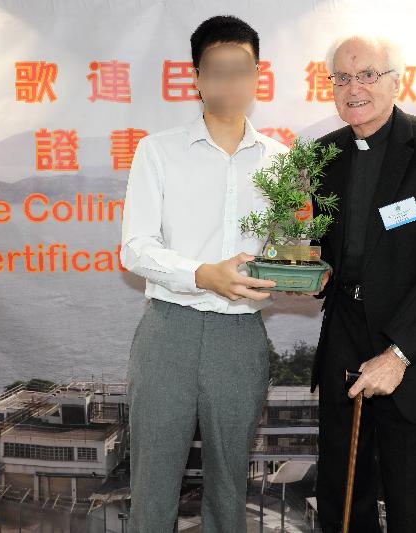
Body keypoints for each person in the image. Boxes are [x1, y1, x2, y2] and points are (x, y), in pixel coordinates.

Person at [120, 15, 294, 533]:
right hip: (168, 331)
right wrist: (203, 274)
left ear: (257, 74)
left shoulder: (282, 162)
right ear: (195, 76)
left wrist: (298, 273)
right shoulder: (157, 151)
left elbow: (285, 251)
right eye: (215, 69)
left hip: (240, 337)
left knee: (228, 488)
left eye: (240, 68)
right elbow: (135, 248)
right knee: (151, 486)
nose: (229, 81)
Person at [309, 34, 416, 532]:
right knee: (343, 506)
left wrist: (398, 354)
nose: (353, 88)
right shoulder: (324, 156)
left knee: (415, 513)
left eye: (367, 74)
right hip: (346, 348)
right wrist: (309, 275)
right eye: (342, 77)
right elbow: (333, 258)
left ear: (395, 80)